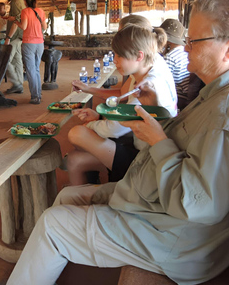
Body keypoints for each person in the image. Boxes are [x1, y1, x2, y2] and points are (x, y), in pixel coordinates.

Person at [4, 0, 229, 285]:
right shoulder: (225, 92)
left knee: (52, 225)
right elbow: (193, 149)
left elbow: (199, 205)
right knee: (66, 197)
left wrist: (159, 141)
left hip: (178, 240)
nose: (184, 48)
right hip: (158, 205)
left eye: (194, 41)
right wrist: (157, 118)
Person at [67, 20, 177, 185]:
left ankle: (96, 194)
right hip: (138, 144)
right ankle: (89, 193)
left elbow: (114, 129)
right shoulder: (148, 66)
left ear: (139, 55)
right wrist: (98, 117)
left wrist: (92, 124)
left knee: (77, 133)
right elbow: (122, 101)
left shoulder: (149, 85)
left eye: (119, 55)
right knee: (74, 160)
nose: (115, 60)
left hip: (147, 157)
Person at [13, 0, 47, 105]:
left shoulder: (25, 11)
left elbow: (24, 26)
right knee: (36, 69)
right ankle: (38, 94)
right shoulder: (41, 11)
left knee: (31, 70)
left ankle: (35, 96)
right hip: (40, 44)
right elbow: (45, 27)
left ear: (25, 1)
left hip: (29, 43)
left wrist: (14, 21)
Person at [159, 18, 192, 110]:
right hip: (189, 95)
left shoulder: (170, 57)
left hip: (180, 97)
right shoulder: (185, 52)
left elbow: (163, 82)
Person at [3, 0, 26, 94]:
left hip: (15, 36)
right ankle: (19, 84)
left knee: (6, 60)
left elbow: (17, 21)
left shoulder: (16, 2)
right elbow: (18, 17)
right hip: (19, 36)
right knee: (17, 61)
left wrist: (8, 38)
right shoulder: (19, 1)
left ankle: (16, 84)